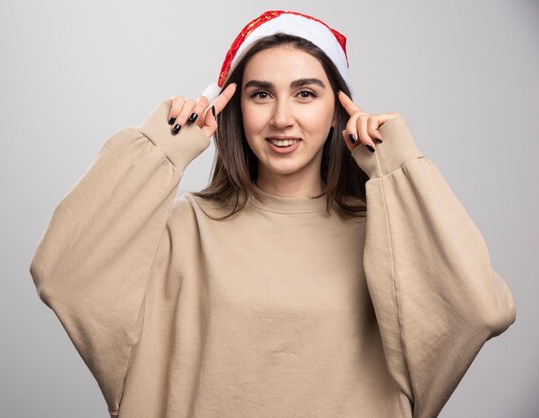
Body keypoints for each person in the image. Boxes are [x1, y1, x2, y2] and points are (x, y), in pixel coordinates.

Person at [29, 9, 516, 418]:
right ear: (236, 108)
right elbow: (62, 274)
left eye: (306, 93)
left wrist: (397, 164)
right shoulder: (184, 230)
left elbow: (479, 311)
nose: (282, 117)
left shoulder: (385, 235)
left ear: (338, 109)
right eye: (261, 94)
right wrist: (164, 146)